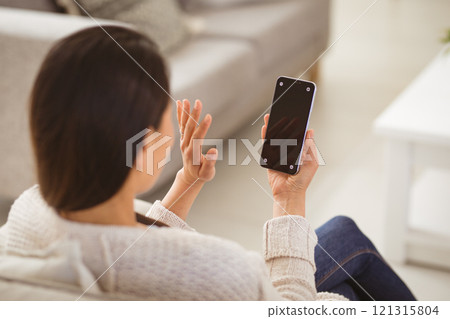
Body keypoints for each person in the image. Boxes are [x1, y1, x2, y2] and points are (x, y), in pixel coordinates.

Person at [0, 26, 415, 301]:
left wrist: (185, 183)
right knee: (346, 245)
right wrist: (289, 199)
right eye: (164, 102)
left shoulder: (26, 215)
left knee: (341, 235)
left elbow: (120, 250)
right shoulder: (221, 271)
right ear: (142, 145)